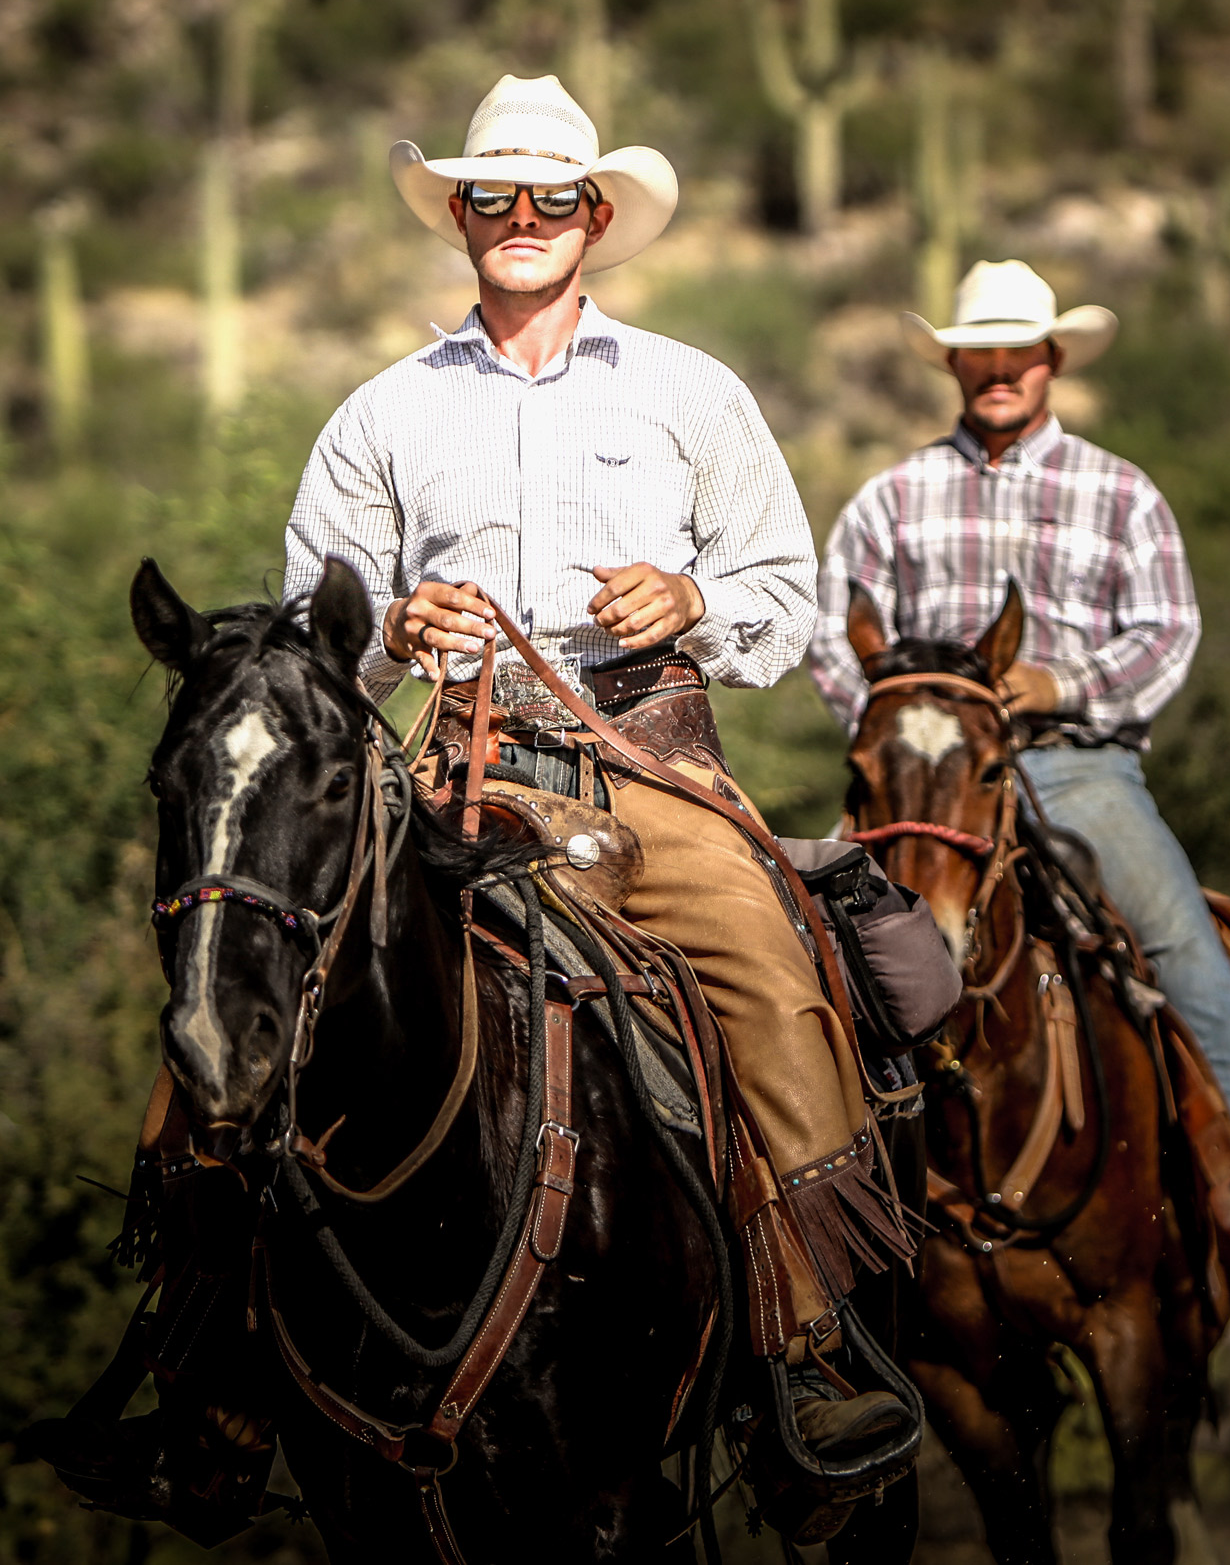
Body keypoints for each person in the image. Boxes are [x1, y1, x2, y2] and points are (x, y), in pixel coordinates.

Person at [286, 75, 914, 1454]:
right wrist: (391, 626)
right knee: (268, 945)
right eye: (494, 195)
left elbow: (786, 599)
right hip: (459, 759)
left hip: (646, 757)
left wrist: (690, 601)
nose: (522, 218)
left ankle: (809, 1336)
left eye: (551, 198)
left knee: (767, 951)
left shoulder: (693, 390)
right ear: (457, 212)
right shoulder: (379, 413)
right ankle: (207, 1342)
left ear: (595, 215)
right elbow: (309, 634)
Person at [807, 258, 1230, 1293]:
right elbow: (836, 638)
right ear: (953, 365)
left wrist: (1058, 680)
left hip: (1079, 766)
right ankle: (813, 1256)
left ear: (1051, 361)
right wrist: (916, 732)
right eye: (979, 355)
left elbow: (1165, 633)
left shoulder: (1119, 490)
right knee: (805, 955)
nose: (998, 370)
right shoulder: (890, 499)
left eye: (1017, 353)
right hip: (927, 781)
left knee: (1185, 945)